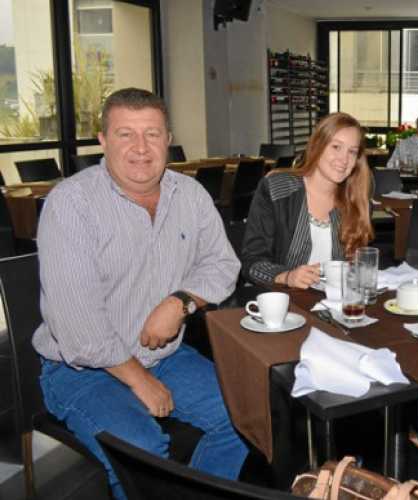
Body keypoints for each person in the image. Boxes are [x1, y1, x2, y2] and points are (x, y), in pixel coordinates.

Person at [33, 88, 248, 498]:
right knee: (144, 451)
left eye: (152, 133)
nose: (140, 148)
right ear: (102, 140)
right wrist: (139, 380)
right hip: (81, 370)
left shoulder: (190, 195)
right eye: (125, 134)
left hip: (164, 356)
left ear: (168, 138)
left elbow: (223, 265)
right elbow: (79, 330)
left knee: (249, 417)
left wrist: (180, 302)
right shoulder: (71, 205)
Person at [241, 112, 374, 289]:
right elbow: (251, 262)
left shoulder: (357, 201)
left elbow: (355, 269)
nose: (344, 159)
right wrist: (286, 276)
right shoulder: (276, 189)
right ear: (317, 146)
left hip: (333, 305)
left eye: (352, 151)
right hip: (281, 302)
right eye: (336, 147)